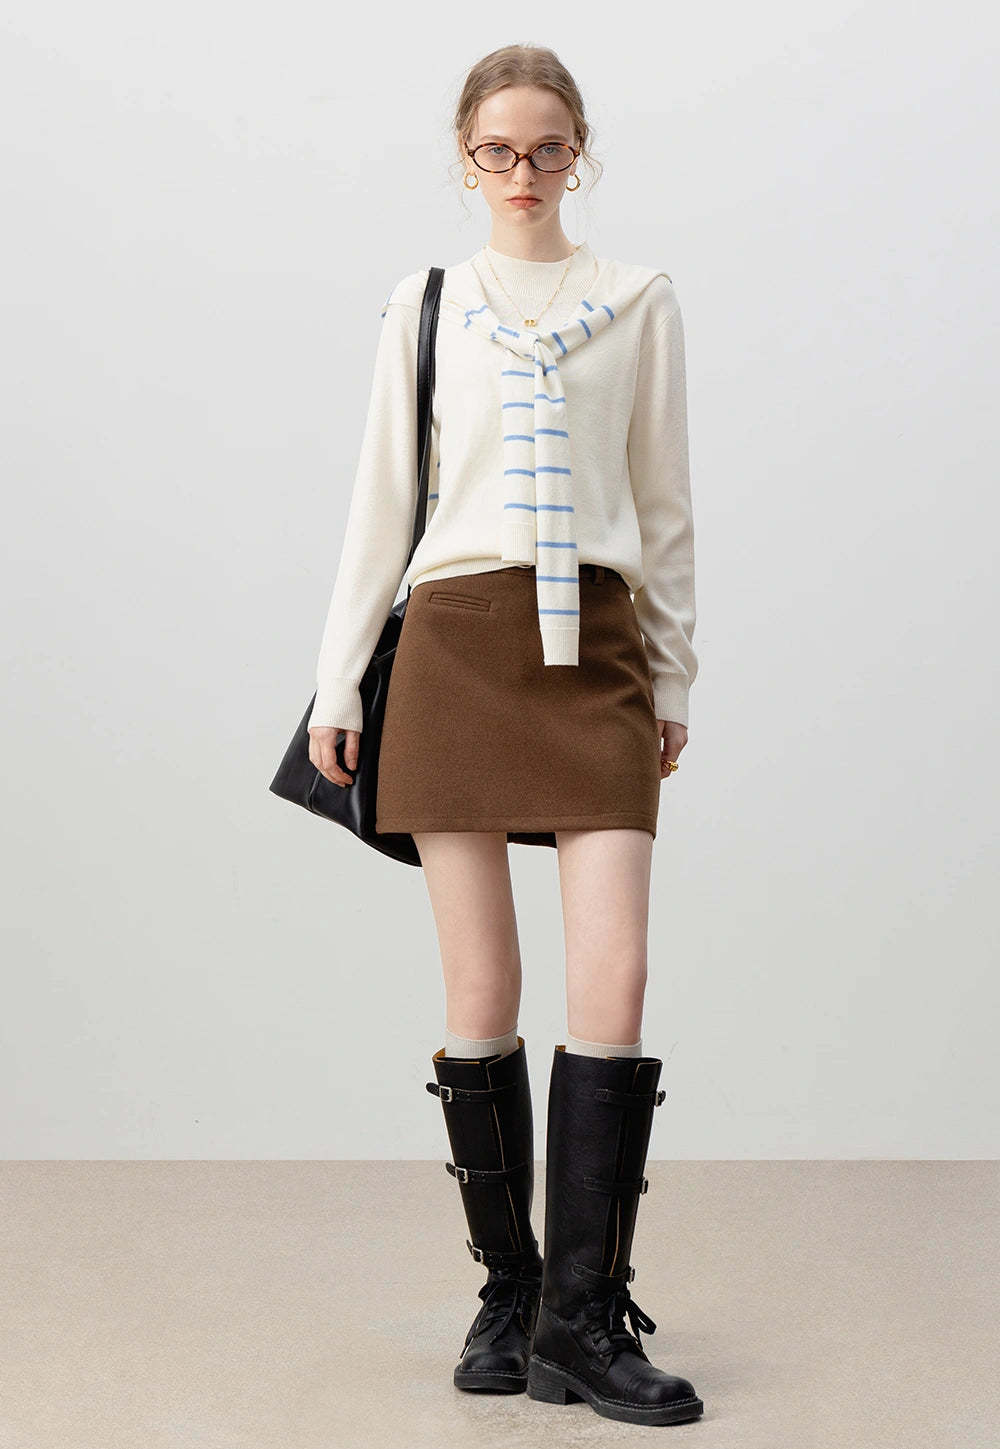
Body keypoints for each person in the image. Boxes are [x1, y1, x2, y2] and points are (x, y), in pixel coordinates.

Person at [307, 44, 703, 1428]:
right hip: (459, 643)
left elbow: (664, 504)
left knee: (617, 978)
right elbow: (381, 500)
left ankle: (582, 1322)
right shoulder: (429, 305)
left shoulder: (637, 301)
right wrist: (339, 684)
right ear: (464, 157)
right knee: (480, 987)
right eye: (496, 150)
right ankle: (512, 1295)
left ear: (578, 154)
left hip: (596, 643)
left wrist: (673, 677)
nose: (521, 173)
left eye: (545, 149)